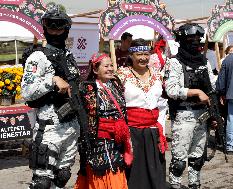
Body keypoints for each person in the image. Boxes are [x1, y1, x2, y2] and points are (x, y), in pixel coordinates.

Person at [21, 3, 80, 188]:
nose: (54, 30)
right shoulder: (38, 57)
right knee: (42, 183)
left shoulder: (68, 55)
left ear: (67, 28)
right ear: (44, 27)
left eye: (59, 25)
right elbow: (27, 92)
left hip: (71, 125)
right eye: (50, 25)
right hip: (49, 129)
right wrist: (52, 80)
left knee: (62, 178)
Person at [165, 23, 216, 189]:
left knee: (197, 158)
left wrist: (215, 111)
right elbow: (171, 89)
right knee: (179, 160)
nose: (195, 41)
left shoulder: (204, 62)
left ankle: (194, 184)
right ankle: (175, 185)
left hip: (203, 115)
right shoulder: (175, 62)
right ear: (182, 40)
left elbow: (213, 86)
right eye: (190, 38)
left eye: (197, 38)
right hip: (183, 115)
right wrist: (195, 92)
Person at [74, 53, 131, 189]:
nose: (111, 68)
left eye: (112, 65)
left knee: (116, 170)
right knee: (101, 172)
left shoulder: (116, 84)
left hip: (116, 141)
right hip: (98, 141)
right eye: (106, 66)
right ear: (95, 69)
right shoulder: (88, 88)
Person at [116, 38, 167, 189]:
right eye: (139, 54)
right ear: (131, 55)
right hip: (132, 132)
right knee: (135, 173)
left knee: (155, 172)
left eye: (146, 54)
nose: (144, 58)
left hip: (153, 132)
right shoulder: (122, 75)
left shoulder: (158, 75)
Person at [149, 37, 169, 133]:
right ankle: (162, 134)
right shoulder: (167, 58)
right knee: (162, 114)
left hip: (152, 87)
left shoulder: (151, 58)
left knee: (152, 113)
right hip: (163, 88)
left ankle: (154, 133)